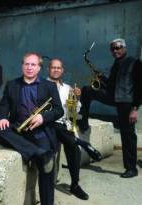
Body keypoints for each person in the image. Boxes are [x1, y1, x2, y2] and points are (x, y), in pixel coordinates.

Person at [0, 52, 64, 205]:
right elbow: (4, 105)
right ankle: (37, 153)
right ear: (22, 66)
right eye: (26, 64)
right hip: (18, 130)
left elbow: (59, 110)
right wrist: (3, 117)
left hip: (40, 132)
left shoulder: (49, 86)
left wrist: (43, 118)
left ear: (39, 68)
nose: (29, 67)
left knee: (46, 169)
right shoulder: (12, 84)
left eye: (33, 65)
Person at [78, 38, 142, 178]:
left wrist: (135, 108)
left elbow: (139, 87)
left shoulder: (135, 63)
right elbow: (111, 86)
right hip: (114, 97)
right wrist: (101, 78)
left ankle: (131, 168)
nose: (115, 50)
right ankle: (83, 121)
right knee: (87, 90)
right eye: (113, 48)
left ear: (124, 48)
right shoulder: (116, 65)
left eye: (118, 47)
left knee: (127, 135)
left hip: (127, 102)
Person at [47, 58, 102, 200]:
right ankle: (84, 144)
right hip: (48, 124)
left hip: (64, 127)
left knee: (73, 148)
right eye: (53, 67)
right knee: (62, 132)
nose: (56, 70)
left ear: (62, 70)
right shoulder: (41, 85)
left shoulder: (67, 88)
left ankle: (75, 185)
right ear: (48, 69)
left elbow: (73, 112)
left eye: (59, 68)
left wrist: (77, 98)